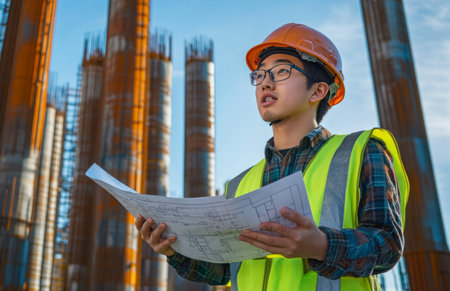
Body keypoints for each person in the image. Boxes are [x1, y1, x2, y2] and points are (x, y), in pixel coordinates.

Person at [135, 23, 409, 290]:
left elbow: (387, 245)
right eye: (260, 74)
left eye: (281, 71)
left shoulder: (361, 152)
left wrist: (321, 246)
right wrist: (174, 249)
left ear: (318, 90)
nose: (265, 82)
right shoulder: (240, 184)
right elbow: (224, 271)